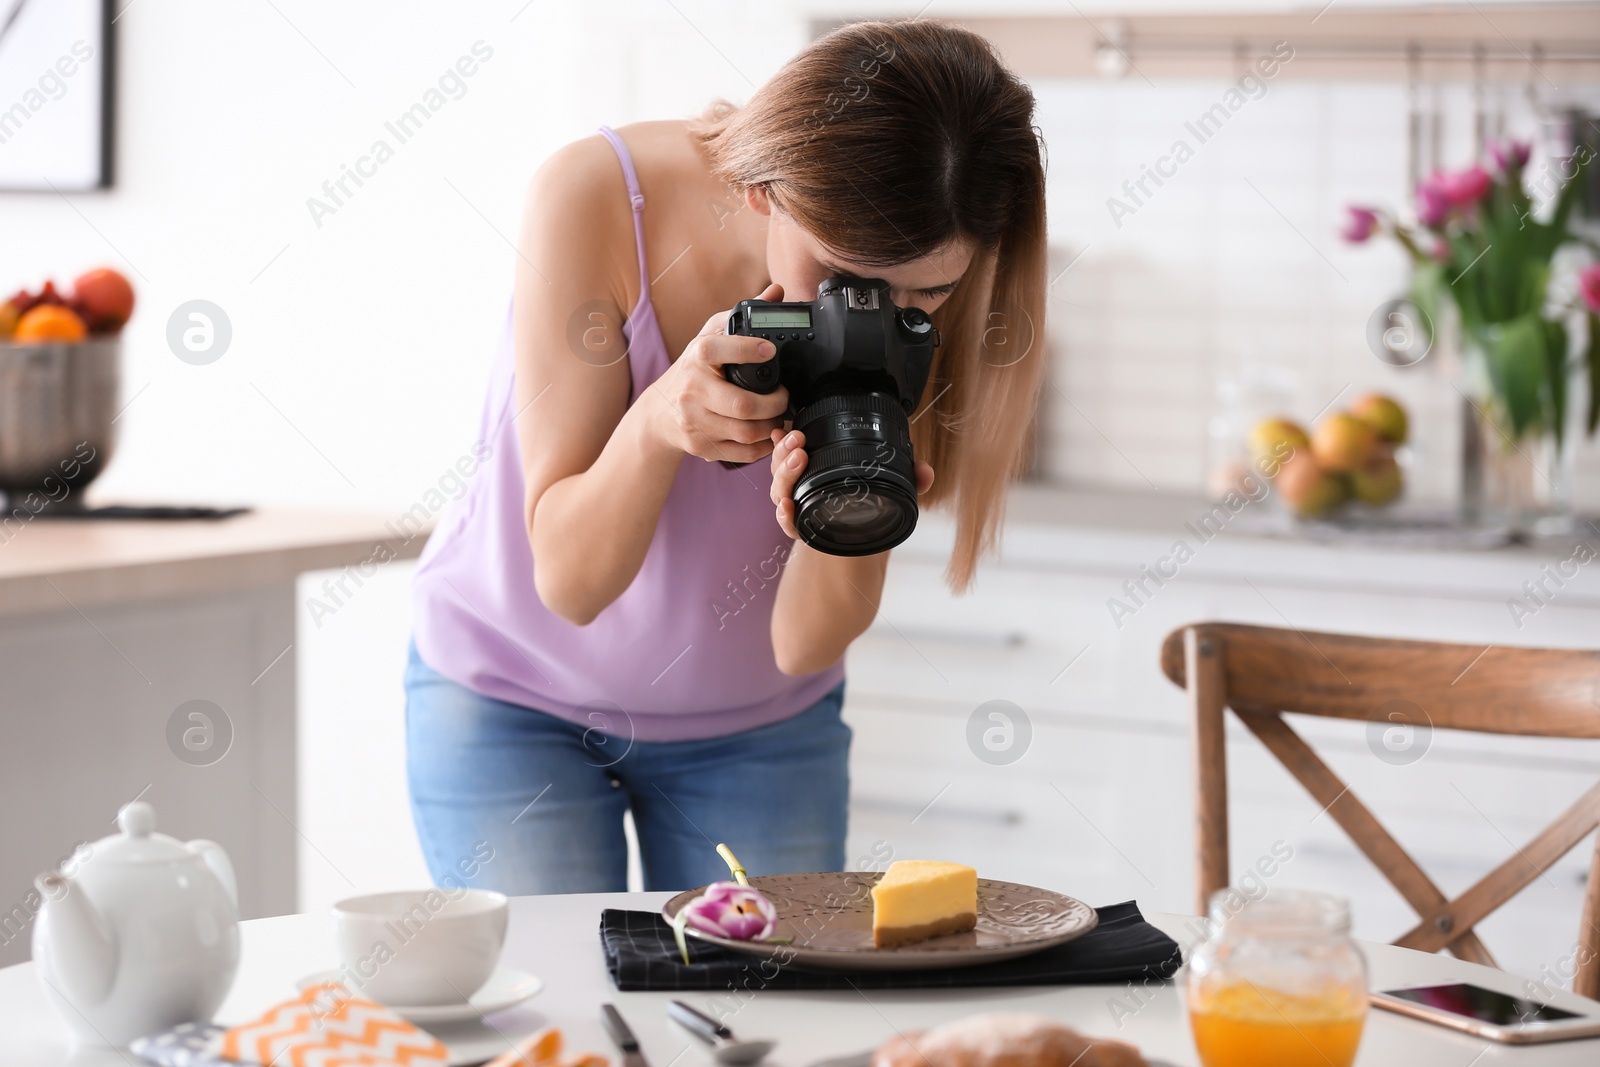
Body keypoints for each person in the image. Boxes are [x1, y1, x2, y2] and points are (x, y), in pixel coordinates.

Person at [405, 18, 1047, 894]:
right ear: (763, 192)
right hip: (514, 696)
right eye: (844, 275)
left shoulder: (940, 277)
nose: (874, 313)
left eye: (924, 290)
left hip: (760, 728)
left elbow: (802, 642)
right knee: (557, 1013)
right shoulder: (595, 194)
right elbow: (570, 582)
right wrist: (659, 419)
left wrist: (839, 514)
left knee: (762, 1017)